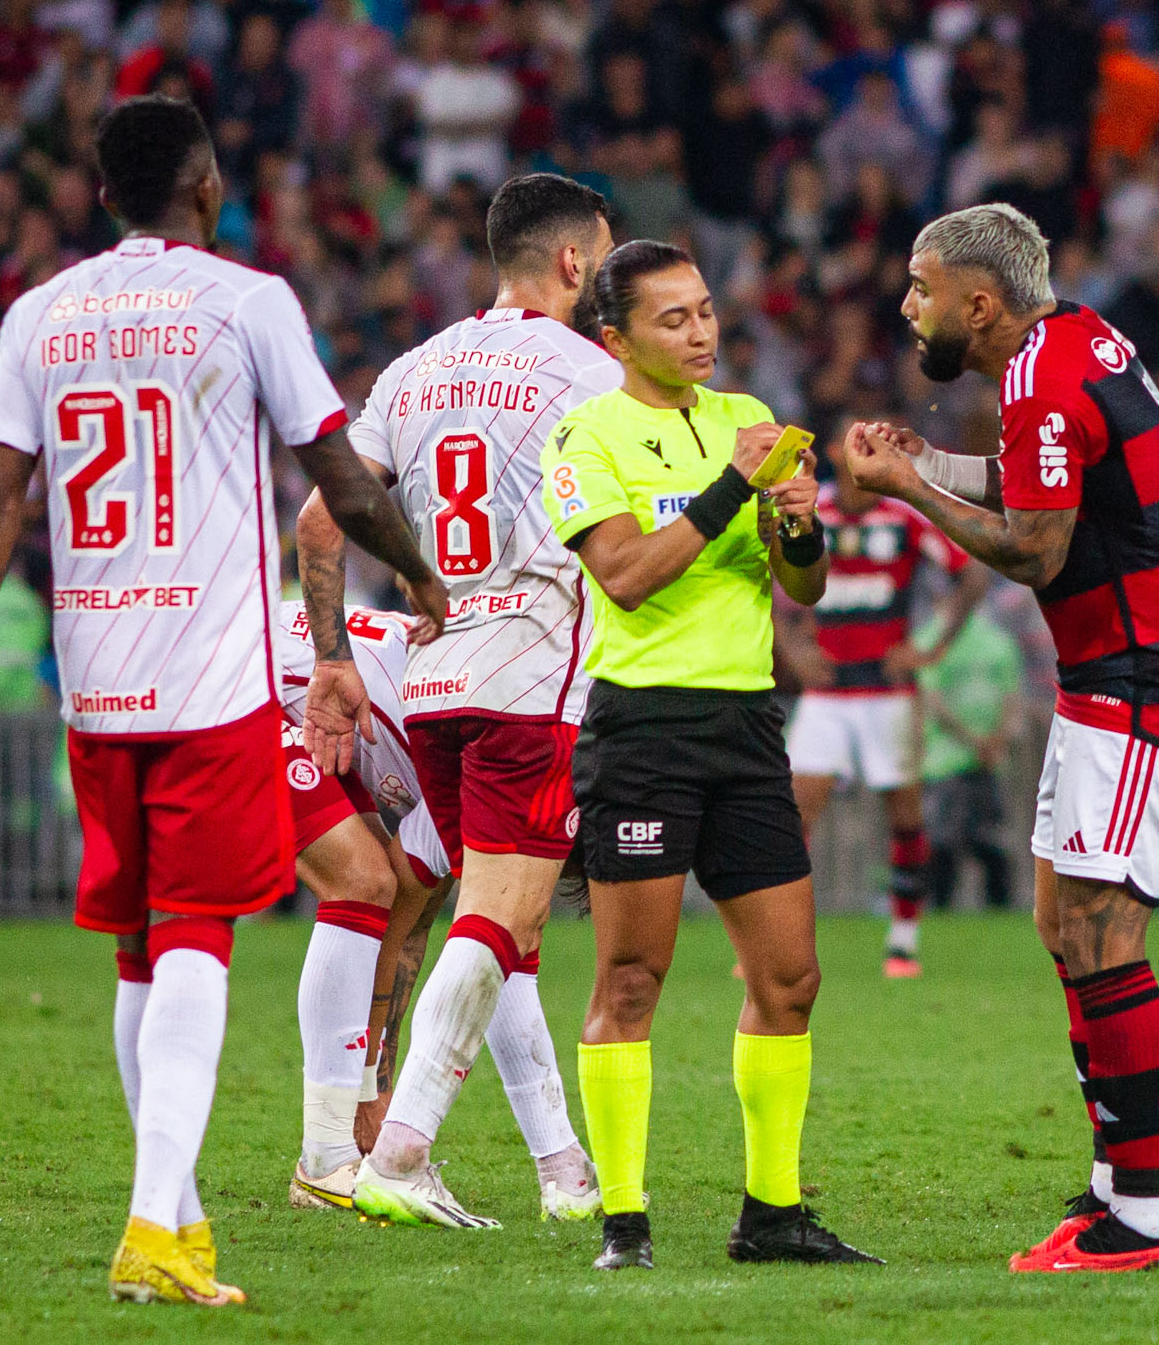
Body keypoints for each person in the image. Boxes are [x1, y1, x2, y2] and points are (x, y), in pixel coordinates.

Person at [0, 96, 445, 1306]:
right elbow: (343, 483)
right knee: (197, 936)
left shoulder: (40, 314)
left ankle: (178, 1223)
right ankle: (154, 1224)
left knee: (142, 952)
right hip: (213, 683)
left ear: (99, 197)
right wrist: (413, 568)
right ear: (208, 186)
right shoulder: (247, 301)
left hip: (99, 688)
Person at [843, 202, 1159, 1273]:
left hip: (1147, 682)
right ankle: (1116, 1177)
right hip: (1110, 677)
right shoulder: (1074, 341)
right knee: (1060, 920)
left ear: (978, 304)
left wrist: (904, 488)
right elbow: (1042, 484)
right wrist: (932, 458)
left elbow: (1032, 548)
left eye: (919, 288)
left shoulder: (1044, 378)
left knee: (1104, 933)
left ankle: (1141, 1224)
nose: (905, 305)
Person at [297, 172, 622, 1231]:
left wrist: (338, 654)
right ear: (573, 262)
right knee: (501, 915)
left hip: (433, 677)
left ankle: (565, 1170)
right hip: (529, 669)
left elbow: (317, 521)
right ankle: (397, 1150)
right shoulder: (592, 375)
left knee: (505, 929)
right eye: (605, 258)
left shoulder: (416, 367)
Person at [545, 240, 878, 1272]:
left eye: (704, 313)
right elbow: (628, 577)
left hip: (743, 726)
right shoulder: (583, 436)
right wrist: (738, 491)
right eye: (673, 320)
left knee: (790, 978)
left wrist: (801, 529)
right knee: (633, 979)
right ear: (616, 339)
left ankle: (771, 1214)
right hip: (641, 726)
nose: (700, 333)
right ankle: (624, 1225)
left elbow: (804, 593)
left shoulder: (748, 424)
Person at [271, 598, 597, 1221]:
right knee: (363, 885)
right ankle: (323, 1157)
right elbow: (400, 929)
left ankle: (561, 1166)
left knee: (452, 914)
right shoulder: (493, 761)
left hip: (310, 679)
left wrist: (382, 1085)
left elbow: (441, 939)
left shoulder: (506, 733)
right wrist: (370, 1088)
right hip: (247, 692)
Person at [778, 460, 985, 975]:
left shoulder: (904, 518)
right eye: (853, 465)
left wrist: (931, 648)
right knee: (792, 817)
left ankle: (904, 939)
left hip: (889, 691)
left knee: (905, 815)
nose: (861, 477)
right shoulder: (810, 510)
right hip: (827, 692)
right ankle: (782, 941)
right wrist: (793, 652)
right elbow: (764, 583)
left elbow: (971, 575)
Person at [917, 604, 1026, 910]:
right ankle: (1000, 916)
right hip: (979, 761)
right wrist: (993, 742)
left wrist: (980, 742)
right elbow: (1012, 700)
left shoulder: (928, 640)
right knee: (990, 843)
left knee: (944, 846)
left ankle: (941, 915)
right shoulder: (998, 641)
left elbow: (933, 703)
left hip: (944, 762)